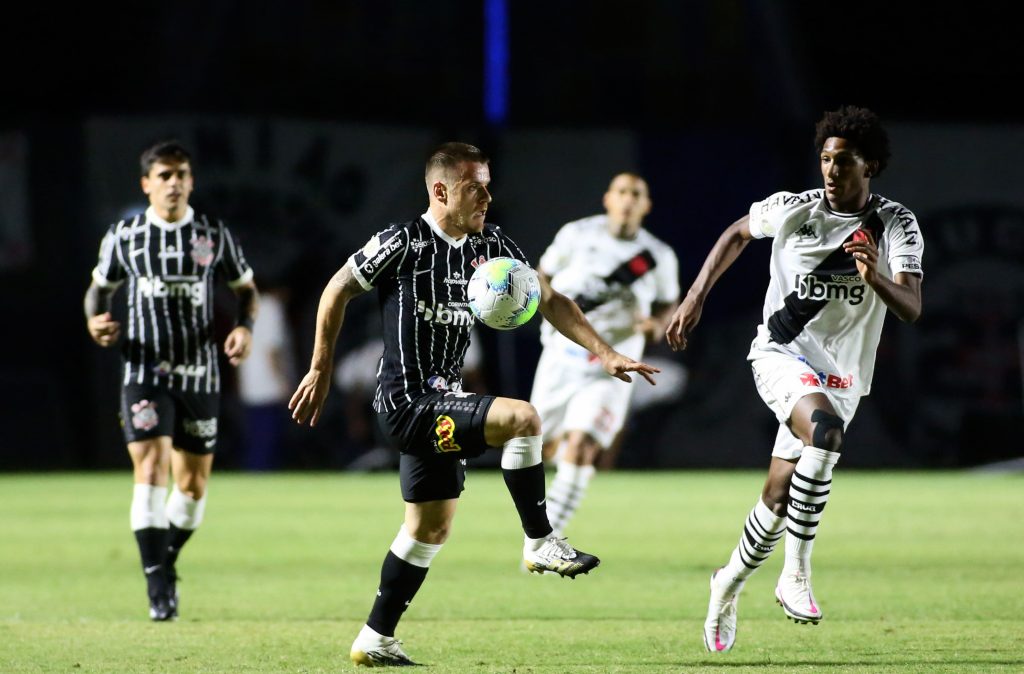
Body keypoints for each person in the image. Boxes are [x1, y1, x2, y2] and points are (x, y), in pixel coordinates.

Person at [288, 142, 659, 667]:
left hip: (447, 401)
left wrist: (607, 353)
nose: (487, 195)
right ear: (440, 191)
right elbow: (336, 290)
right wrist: (322, 368)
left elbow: (549, 299)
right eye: (473, 187)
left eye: (487, 184)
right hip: (409, 402)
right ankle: (540, 541)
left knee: (428, 529)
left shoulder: (493, 245)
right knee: (523, 418)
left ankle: (375, 637)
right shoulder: (403, 242)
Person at [665, 106, 923, 652]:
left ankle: (725, 584)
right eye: (825, 160)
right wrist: (694, 298)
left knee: (779, 498)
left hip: (843, 373)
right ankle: (797, 574)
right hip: (780, 354)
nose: (831, 171)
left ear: (870, 165)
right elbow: (736, 233)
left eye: (844, 161)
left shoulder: (896, 224)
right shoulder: (793, 209)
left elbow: (912, 307)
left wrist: (873, 274)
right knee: (825, 434)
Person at [84, 140, 259, 621]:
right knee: (151, 469)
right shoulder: (125, 237)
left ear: (191, 181)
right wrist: (94, 320)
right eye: (164, 176)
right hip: (143, 371)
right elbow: (99, 289)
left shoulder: (213, 235)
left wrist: (245, 327)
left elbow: (246, 290)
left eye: (181, 174)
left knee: (194, 487)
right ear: (146, 184)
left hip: (200, 373)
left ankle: (165, 559)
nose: (174, 183)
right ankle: (158, 586)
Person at [530, 173, 679, 535]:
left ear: (646, 206)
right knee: (533, 449)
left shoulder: (657, 256)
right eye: (622, 192)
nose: (628, 200)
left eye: (636, 195)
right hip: (561, 355)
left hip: (614, 365)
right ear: (608, 199)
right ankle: (555, 454)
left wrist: (656, 327)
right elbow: (541, 276)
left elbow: (667, 304)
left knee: (582, 445)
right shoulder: (576, 235)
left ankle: (546, 539)